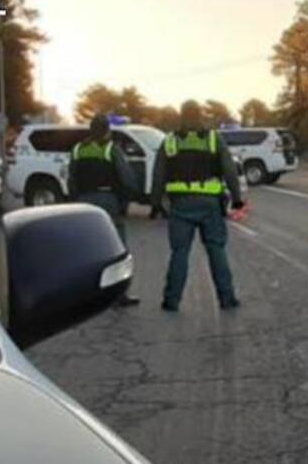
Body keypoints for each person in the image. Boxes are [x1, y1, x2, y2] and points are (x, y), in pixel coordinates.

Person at [151, 107, 245, 312]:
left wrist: (155, 203)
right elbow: (229, 170)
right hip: (209, 203)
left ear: (182, 117)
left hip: (180, 204)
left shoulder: (170, 141)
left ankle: (171, 300)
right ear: (200, 117)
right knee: (216, 249)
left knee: (179, 252)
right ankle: (227, 299)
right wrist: (237, 199)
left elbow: (158, 175)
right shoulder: (213, 139)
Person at [68, 114, 140, 306]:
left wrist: (75, 200)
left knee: (87, 247)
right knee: (117, 247)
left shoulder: (78, 149)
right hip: (108, 200)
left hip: (84, 201)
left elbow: (71, 179)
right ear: (107, 131)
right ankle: (118, 295)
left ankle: (84, 294)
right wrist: (128, 198)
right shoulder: (110, 149)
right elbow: (127, 177)